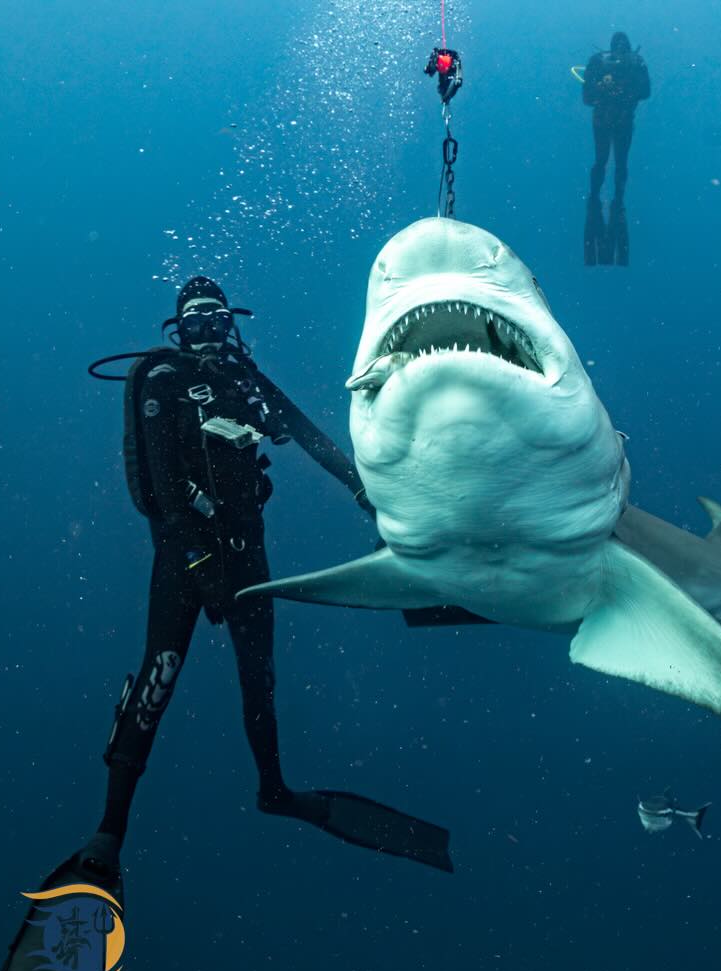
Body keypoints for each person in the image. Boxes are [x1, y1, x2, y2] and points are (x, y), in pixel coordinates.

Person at [83, 277, 452, 878]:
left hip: (245, 552)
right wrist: (197, 562)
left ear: (231, 323)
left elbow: (307, 434)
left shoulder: (244, 379)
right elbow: (162, 488)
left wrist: (367, 493)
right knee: (159, 677)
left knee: (261, 681)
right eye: (195, 321)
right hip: (184, 555)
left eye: (216, 319)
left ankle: (274, 790)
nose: (207, 331)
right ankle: (109, 830)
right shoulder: (162, 379)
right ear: (178, 330)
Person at [582, 31, 650, 266]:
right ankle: (611, 198)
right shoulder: (628, 63)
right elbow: (644, 93)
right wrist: (614, 91)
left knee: (607, 161)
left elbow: (587, 98)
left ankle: (600, 197)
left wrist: (609, 90)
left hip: (609, 118)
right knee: (614, 162)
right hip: (618, 118)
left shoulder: (602, 62)